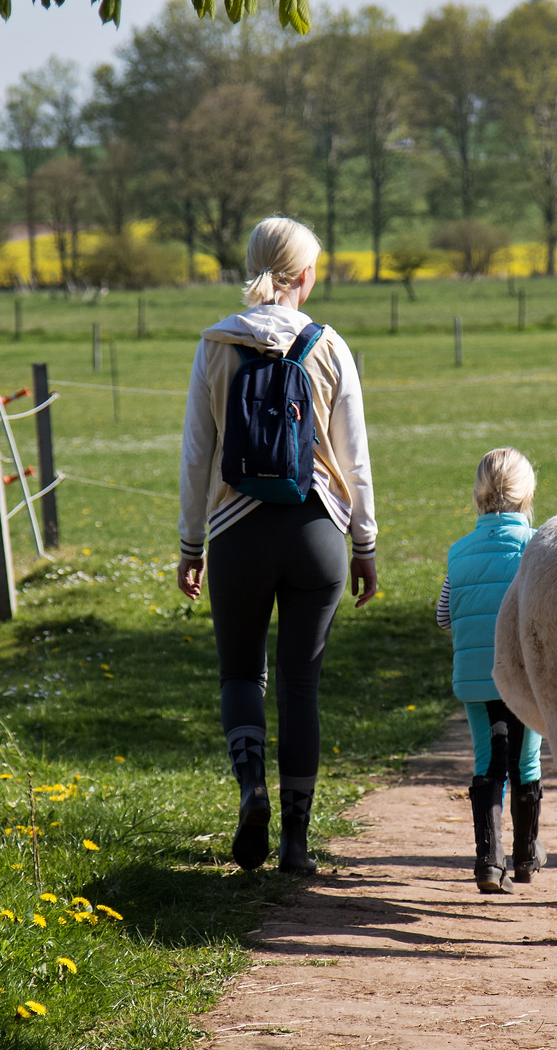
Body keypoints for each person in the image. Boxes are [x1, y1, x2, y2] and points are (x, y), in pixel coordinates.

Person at [177, 217, 378, 874]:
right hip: (316, 532)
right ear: (306, 274)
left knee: (241, 674)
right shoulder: (329, 345)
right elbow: (355, 454)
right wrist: (364, 543)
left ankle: (250, 791)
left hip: (236, 532)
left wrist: (190, 544)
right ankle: (295, 841)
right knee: (300, 684)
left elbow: (197, 456)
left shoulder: (216, 344)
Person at [437, 447, 547, 893]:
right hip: (527, 675)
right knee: (527, 759)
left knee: (488, 760)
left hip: (478, 674)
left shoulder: (458, 552)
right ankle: (526, 855)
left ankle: (488, 859)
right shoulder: (541, 549)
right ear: (528, 495)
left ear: (478, 496)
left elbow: (444, 614)